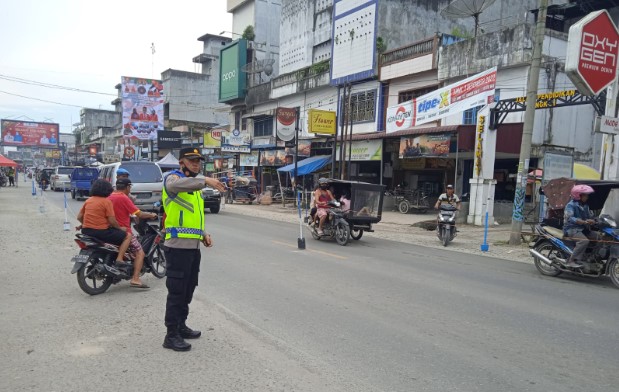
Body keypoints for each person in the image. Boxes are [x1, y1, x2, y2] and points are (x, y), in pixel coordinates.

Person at [161, 147, 226, 352]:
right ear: (181, 162)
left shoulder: (195, 188)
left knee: (189, 288)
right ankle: (171, 335)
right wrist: (206, 180)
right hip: (177, 246)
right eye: (192, 160)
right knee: (177, 291)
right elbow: (177, 185)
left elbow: (192, 217)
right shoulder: (172, 180)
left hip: (192, 246)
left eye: (198, 160)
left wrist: (203, 233)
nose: (196, 163)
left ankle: (181, 325)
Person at [108, 178, 158, 288]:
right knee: (140, 253)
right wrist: (151, 214)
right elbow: (138, 214)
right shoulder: (124, 198)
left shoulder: (109, 196)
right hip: (124, 232)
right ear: (127, 187)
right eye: (130, 187)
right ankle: (135, 278)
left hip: (110, 231)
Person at [76, 179, 132, 264]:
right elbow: (112, 221)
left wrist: (85, 224)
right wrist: (120, 228)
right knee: (127, 236)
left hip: (86, 231)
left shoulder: (88, 200)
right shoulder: (106, 202)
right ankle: (119, 258)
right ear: (107, 190)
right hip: (101, 232)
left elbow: (79, 217)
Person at [563, 185, 597, 268]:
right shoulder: (570, 205)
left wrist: (594, 220)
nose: (587, 197)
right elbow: (569, 217)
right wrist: (579, 221)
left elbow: (590, 216)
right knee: (584, 241)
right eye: (585, 195)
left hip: (583, 228)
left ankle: (591, 257)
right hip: (571, 229)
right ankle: (572, 260)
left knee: (598, 237)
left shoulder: (585, 206)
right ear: (579, 195)